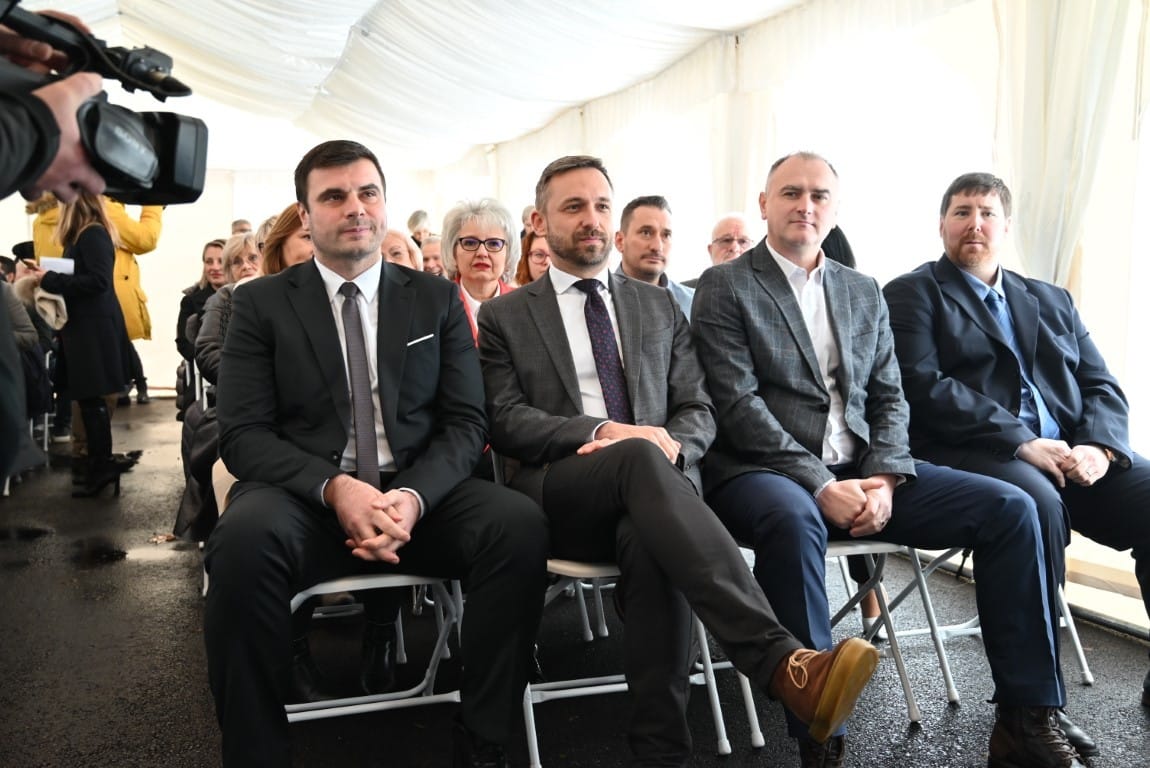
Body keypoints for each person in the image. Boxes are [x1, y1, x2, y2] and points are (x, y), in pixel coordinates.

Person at [477, 154, 879, 768]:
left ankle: (661, 753)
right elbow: (506, 419)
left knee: (651, 537)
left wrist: (675, 444)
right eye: (573, 206)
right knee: (640, 460)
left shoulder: (658, 305)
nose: (591, 219)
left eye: (601, 206)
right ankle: (781, 662)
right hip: (560, 489)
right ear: (539, 220)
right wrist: (608, 431)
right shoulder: (505, 314)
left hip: (656, 492)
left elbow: (699, 408)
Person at [691, 152, 1087, 768]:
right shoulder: (725, 286)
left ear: (834, 209)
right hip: (763, 471)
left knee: (1012, 507)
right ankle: (820, 739)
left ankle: (1026, 719)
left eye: (819, 195)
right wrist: (820, 484)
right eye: (790, 193)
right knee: (793, 521)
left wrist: (883, 477)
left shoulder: (861, 289)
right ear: (764, 203)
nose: (805, 206)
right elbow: (738, 404)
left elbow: (890, 398)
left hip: (864, 469)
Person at [204, 140, 548, 768]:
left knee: (516, 524)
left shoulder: (434, 298)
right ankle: (256, 753)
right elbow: (244, 435)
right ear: (305, 214)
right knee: (239, 545)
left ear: (384, 203)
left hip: (418, 498)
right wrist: (337, 489)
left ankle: (485, 738)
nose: (355, 208)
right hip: (305, 500)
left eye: (367, 193)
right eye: (334, 196)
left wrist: (413, 497)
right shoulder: (258, 304)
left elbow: (466, 422)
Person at [883, 170, 1150, 715]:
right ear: (941, 225)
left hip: (1072, 453)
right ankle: (1034, 708)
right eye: (962, 212)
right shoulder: (912, 294)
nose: (974, 224)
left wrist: (1099, 447)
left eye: (987, 213)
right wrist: (1021, 441)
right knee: (1036, 502)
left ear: (1006, 227)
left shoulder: (1051, 299)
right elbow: (923, 385)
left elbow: (1100, 384)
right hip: (977, 453)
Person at [25, 192, 131, 498]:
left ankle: (102, 466)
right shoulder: (88, 234)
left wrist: (50, 278)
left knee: (92, 399)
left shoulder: (93, 233)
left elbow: (98, 281)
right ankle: (99, 466)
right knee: (88, 399)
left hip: (93, 329)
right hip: (87, 328)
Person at [443, 198, 520, 343]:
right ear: (453, 252)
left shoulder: (525, 306)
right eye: (470, 243)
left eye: (494, 243)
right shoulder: (438, 306)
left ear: (508, 254)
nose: (482, 253)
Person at [614, 195, 694, 317]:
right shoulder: (599, 301)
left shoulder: (693, 303)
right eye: (646, 233)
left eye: (666, 235)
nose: (657, 247)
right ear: (620, 241)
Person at [176, 239, 226, 363]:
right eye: (209, 262)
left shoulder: (244, 296)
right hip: (206, 368)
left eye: (221, 261)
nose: (215, 267)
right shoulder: (190, 301)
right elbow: (184, 344)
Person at [682, 212, 756, 288]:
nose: (735, 248)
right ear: (711, 250)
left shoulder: (762, 291)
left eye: (743, 241)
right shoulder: (684, 291)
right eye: (726, 240)